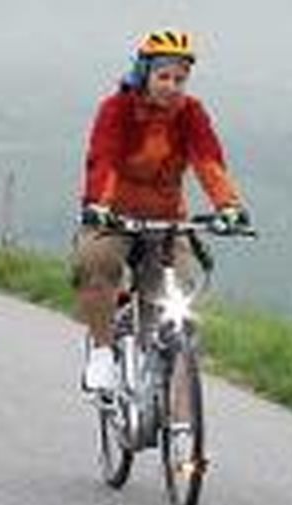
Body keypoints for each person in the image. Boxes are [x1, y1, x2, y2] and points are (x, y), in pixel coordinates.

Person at [73, 30, 250, 391]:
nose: (171, 86)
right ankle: (103, 352)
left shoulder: (191, 114)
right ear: (144, 73)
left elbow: (208, 161)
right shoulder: (117, 109)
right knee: (96, 263)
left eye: (180, 79)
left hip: (167, 218)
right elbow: (103, 160)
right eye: (163, 76)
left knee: (178, 294)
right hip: (115, 216)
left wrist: (229, 206)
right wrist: (99, 206)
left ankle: (172, 405)